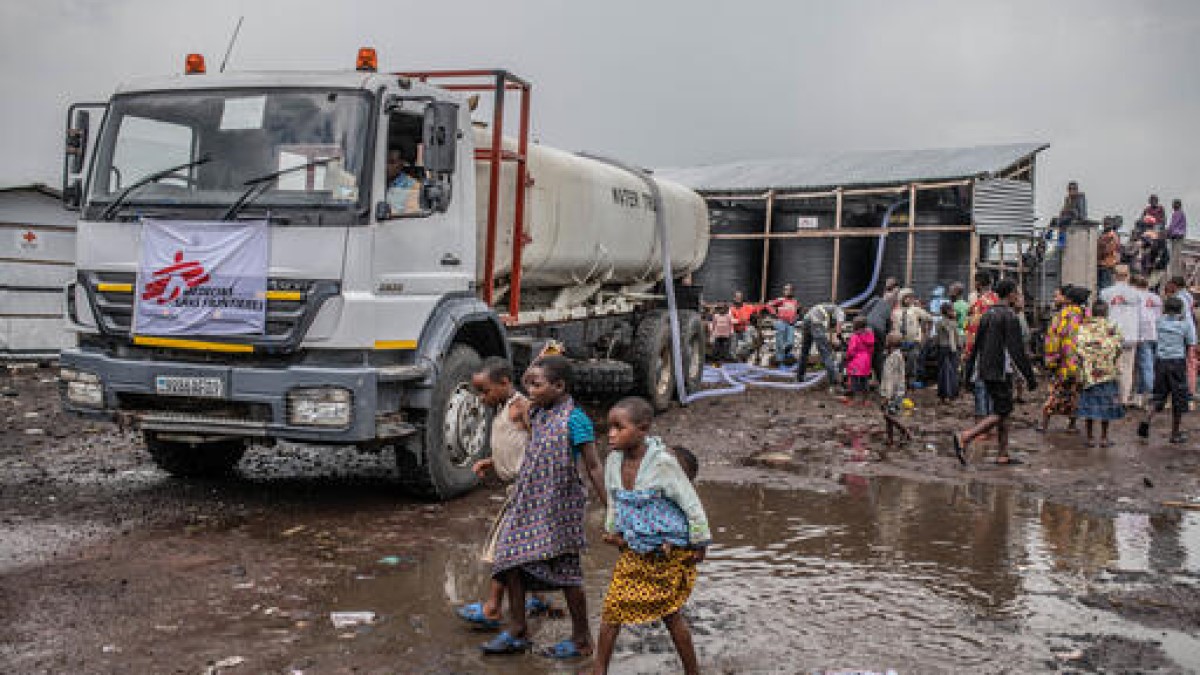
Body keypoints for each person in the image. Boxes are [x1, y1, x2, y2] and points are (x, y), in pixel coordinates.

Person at [484, 356, 606, 658]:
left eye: (536, 385)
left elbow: (593, 465)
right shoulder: (537, 412)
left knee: (567, 570)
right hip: (527, 502)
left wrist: (611, 507)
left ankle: (581, 638)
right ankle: (518, 627)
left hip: (560, 506)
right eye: (528, 384)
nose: (531, 391)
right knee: (509, 557)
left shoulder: (576, 419)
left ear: (559, 386)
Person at [592, 397, 710, 675]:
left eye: (618, 428)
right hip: (635, 548)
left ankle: (692, 671)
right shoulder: (613, 461)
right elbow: (614, 498)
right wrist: (614, 531)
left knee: (670, 613)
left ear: (642, 429)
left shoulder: (663, 464)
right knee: (612, 609)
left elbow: (691, 504)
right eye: (609, 427)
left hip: (666, 550)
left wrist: (701, 542)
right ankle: (599, 669)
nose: (611, 434)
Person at [456, 358, 554, 629]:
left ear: (504, 383)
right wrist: (491, 462)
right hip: (517, 489)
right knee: (525, 549)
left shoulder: (520, 407)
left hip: (526, 491)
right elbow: (514, 445)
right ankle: (540, 598)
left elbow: (540, 441)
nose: (481, 397)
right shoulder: (503, 409)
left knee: (504, 548)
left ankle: (493, 608)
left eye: (485, 391)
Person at [953, 278, 1038, 466]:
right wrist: (1030, 378)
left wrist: (969, 374)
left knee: (1004, 412)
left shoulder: (987, 314)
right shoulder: (1009, 317)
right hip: (1000, 371)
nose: (1019, 296)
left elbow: (976, 347)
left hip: (986, 369)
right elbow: (1017, 351)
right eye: (1017, 293)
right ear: (1011, 294)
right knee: (1002, 411)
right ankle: (966, 436)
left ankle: (1003, 454)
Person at [1138, 296, 1197, 444]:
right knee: (1178, 396)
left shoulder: (1160, 322)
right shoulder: (1185, 325)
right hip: (1177, 362)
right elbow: (1191, 343)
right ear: (1180, 310)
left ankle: (1146, 419)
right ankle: (1175, 433)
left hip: (1161, 362)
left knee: (1158, 395)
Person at [1038, 285, 1088, 432]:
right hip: (1080, 362)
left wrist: (1051, 360)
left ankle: (1044, 425)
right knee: (1075, 394)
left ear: (1069, 299)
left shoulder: (1061, 315)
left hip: (1063, 363)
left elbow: (1052, 340)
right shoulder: (1086, 315)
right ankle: (1071, 425)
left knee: (1055, 392)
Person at [1076, 302, 1125, 447]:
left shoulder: (1084, 328)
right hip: (1108, 373)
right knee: (1107, 407)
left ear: (1092, 312)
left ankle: (1090, 437)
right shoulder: (1113, 327)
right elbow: (1118, 347)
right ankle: (1104, 438)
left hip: (1089, 374)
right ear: (1106, 312)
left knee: (1089, 406)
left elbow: (1078, 348)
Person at [1100, 265, 1142, 406]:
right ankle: (1124, 399)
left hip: (1111, 334)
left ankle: (1112, 397)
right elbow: (1140, 315)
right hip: (1130, 334)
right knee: (1127, 368)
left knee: (1111, 366)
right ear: (1128, 275)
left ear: (1114, 275)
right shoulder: (1136, 294)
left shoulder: (1105, 293)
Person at [965, 272, 999, 419]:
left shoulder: (979, 304)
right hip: (998, 349)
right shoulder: (997, 300)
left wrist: (968, 351)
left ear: (978, 283)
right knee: (994, 385)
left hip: (983, 349)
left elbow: (974, 330)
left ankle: (982, 419)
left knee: (981, 384)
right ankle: (991, 418)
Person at [798, 301, 845, 390]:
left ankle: (800, 377)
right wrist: (840, 337)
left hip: (806, 320)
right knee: (826, 354)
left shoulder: (826, 308)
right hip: (816, 322)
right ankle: (834, 384)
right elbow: (839, 326)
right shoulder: (839, 310)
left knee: (805, 351)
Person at [1132, 274, 1163, 408]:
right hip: (1156, 333)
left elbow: (1137, 317)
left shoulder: (1135, 297)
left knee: (1145, 366)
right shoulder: (1156, 297)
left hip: (1142, 334)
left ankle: (1150, 395)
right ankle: (1139, 395)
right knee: (1146, 365)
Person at [1164, 276, 1197, 399]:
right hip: (1190, 332)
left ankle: (1183, 391)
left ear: (1175, 285)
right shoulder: (1188, 296)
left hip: (1182, 333)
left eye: (1171, 284)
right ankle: (1190, 390)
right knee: (1190, 363)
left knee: (1181, 363)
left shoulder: (1178, 298)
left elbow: (1178, 317)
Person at [892, 289, 931, 387]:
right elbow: (892, 325)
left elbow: (929, 318)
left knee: (912, 361)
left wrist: (925, 335)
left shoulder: (915, 310)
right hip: (899, 341)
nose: (909, 299)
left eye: (910, 297)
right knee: (898, 361)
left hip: (913, 341)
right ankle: (900, 381)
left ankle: (911, 381)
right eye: (907, 297)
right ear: (902, 298)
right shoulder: (896, 312)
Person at [879, 332, 911, 447]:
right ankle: (890, 438)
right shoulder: (896, 355)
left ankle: (904, 431)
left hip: (893, 393)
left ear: (891, 343)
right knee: (889, 416)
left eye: (887, 339)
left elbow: (890, 378)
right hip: (897, 391)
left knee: (889, 416)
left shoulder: (893, 358)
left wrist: (887, 396)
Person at [766, 284, 801, 366]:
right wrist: (774, 313)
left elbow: (798, 312)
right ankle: (780, 361)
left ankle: (784, 356)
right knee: (780, 341)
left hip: (791, 324)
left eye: (790, 290)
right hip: (781, 322)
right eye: (786, 290)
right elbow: (768, 305)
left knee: (790, 343)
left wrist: (796, 318)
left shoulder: (795, 301)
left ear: (793, 291)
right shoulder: (780, 300)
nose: (788, 291)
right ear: (783, 291)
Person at [845, 316, 875, 405]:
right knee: (864, 380)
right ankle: (866, 400)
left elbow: (851, 350)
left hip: (856, 361)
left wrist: (848, 357)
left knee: (854, 380)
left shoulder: (854, 337)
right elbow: (871, 349)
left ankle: (854, 399)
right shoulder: (870, 335)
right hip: (866, 360)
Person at [935, 302, 961, 402]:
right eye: (952, 310)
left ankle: (944, 394)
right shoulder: (952, 323)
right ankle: (950, 394)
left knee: (944, 372)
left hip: (943, 348)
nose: (954, 312)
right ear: (948, 311)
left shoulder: (940, 323)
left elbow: (938, 338)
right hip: (950, 349)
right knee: (951, 372)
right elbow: (955, 337)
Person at [385, 146, 423, 215]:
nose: (387, 166)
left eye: (392, 162)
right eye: (385, 162)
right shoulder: (377, 182)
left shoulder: (414, 186)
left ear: (401, 164)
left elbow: (412, 215)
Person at [728, 291, 758, 361]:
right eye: (737, 297)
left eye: (740, 297)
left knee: (749, 343)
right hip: (735, 331)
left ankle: (740, 352)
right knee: (732, 351)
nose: (738, 299)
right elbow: (731, 320)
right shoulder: (731, 309)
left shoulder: (748, 307)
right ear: (734, 298)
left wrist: (757, 311)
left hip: (745, 329)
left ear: (742, 298)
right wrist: (740, 321)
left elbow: (757, 309)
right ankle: (736, 358)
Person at [1167, 200, 1189, 280]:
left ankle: (1174, 276)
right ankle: (1173, 275)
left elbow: (1173, 225)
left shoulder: (1179, 213)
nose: (1173, 205)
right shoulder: (1177, 213)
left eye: (1174, 204)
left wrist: (1167, 232)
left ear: (1178, 205)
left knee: (1175, 258)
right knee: (1173, 257)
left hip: (1178, 238)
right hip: (1175, 237)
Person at [1097, 218, 1122, 290]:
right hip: (1102, 263)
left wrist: (1099, 252)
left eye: (1107, 224)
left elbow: (1108, 250)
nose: (1105, 226)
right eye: (1104, 224)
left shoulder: (1111, 236)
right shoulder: (1104, 235)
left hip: (1108, 263)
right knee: (1101, 285)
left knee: (1105, 285)